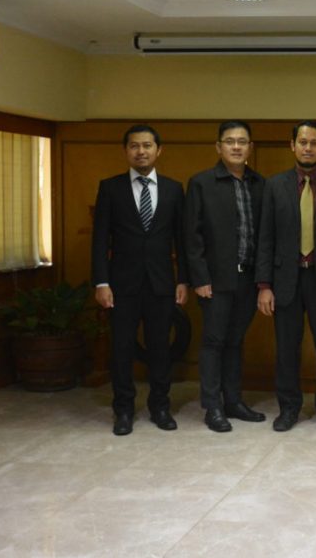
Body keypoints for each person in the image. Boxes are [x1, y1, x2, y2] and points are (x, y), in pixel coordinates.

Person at [91, 124, 188, 436]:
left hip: (162, 284)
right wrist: (101, 283)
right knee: (121, 348)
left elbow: (181, 240)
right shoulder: (110, 188)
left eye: (147, 146)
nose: (141, 151)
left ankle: (160, 406)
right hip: (121, 285)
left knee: (160, 347)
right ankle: (123, 409)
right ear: (126, 151)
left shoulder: (174, 189)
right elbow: (99, 240)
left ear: (158, 150)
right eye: (135, 146)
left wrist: (183, 280)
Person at [256, 121, 316, 433]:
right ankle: (288, 408)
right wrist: (264, 286)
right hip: (286, 279)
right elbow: (265, 238)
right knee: (286, 349)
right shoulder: (274, 185)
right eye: (302, 141)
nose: (308, 147)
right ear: (292, 146)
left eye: (314, 142)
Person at [184, 120, 266, 433]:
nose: (236, 146)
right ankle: (213, 406)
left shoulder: (259, 184)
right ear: (218, 147)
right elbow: (192, 237)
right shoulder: (202, 183)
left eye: (242, 141)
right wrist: (200, 278)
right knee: (214, 341)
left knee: (235, 341)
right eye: (229, 141)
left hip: (248, 279)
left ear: (250, 147)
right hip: (215, 280)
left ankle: (233, 401)